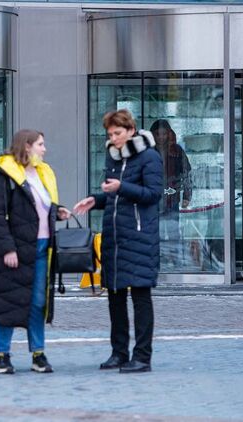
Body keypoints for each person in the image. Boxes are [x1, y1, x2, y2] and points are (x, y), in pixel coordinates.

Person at [74, 109, 163, 373]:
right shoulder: (113, 157)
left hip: (139, 238)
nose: (113, 138)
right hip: (114, 238)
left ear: (131, 130)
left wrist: (120, 187)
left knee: (140, 297)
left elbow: (153, 194)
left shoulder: (149, 156)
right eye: (110, 134)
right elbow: (115, 197)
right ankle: (119, 353)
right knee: (115, 297)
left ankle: (142, 357)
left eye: (118, 133)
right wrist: (95, 200)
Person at [0, 129, 70, 374]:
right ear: (27, 146)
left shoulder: (42, 173)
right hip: (15, 249)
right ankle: (2, 355)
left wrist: (57, 212)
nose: (44, 149)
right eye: (40, 144)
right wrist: (7, 249)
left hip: (42, 247)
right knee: (8, 301)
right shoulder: (5, 176)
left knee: (38, 302)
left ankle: (38, 353)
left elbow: (39, 208)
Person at [150, 119, 192, 266]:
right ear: (153, 135)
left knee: (173, 231)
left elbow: (186, 173)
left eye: (164, 134)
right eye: (158, 134)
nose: (161, 137)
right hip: (153, 199)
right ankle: (157, 260)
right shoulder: (148, 152)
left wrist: (187, 196)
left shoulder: (177, 151)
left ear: (169, 134)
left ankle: (175, 261)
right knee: (154, 231)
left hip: (171, 198)